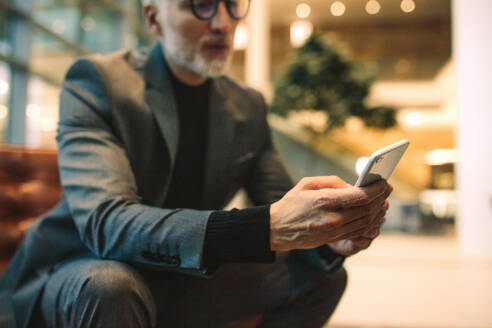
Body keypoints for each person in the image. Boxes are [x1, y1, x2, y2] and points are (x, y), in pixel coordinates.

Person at [0, 0, 392, 327]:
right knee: (112, 286)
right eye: (201, 5)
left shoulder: (247, 106)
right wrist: (265, 226)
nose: (223, 23)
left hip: (176, 276)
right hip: (78, 270)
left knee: (320, 278)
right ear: (153, 18)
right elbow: (108, 224)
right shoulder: (98, 82)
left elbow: (284, 204)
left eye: (233, 5)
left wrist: (330, 237)